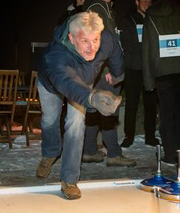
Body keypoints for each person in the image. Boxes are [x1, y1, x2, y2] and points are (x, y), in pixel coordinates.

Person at [35, 12, 124, 200]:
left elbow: (115, 50)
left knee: (76, 124)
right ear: (71, 38)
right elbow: (66, 83)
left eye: (95, 39)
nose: (92, 47)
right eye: (85, 41)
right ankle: (50, 154)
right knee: (50, 119)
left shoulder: (106, 39)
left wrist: (117, 75)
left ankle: (69, 180)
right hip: (52, 84)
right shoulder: (56, 55)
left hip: (83, 84)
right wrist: (91, 98)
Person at [81, 0, 137, 167]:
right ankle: (113, 154)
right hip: (106, 72)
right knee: (109, 109)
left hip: (103, 69)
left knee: (96, 110)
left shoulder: (102, 7)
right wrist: (108, 70)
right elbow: (98, 41)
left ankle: (89, 150)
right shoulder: (97, 7)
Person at [142, 0, 180, 165]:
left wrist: (148, 82)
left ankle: (169, 155)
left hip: (161, 71)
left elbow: (146, 49)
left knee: (166, 114)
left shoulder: (151, 14)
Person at [119, 0, 160, 148]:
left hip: (150, 69)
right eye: (144, 0)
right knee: (131, 103)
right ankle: (128, 136)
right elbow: (128, 44)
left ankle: (150, 136)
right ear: (137, 2)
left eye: (150, 0)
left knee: (150, 103)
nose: (148, 3)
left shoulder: (154, 18)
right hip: (133, 68)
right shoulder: (129, 19)